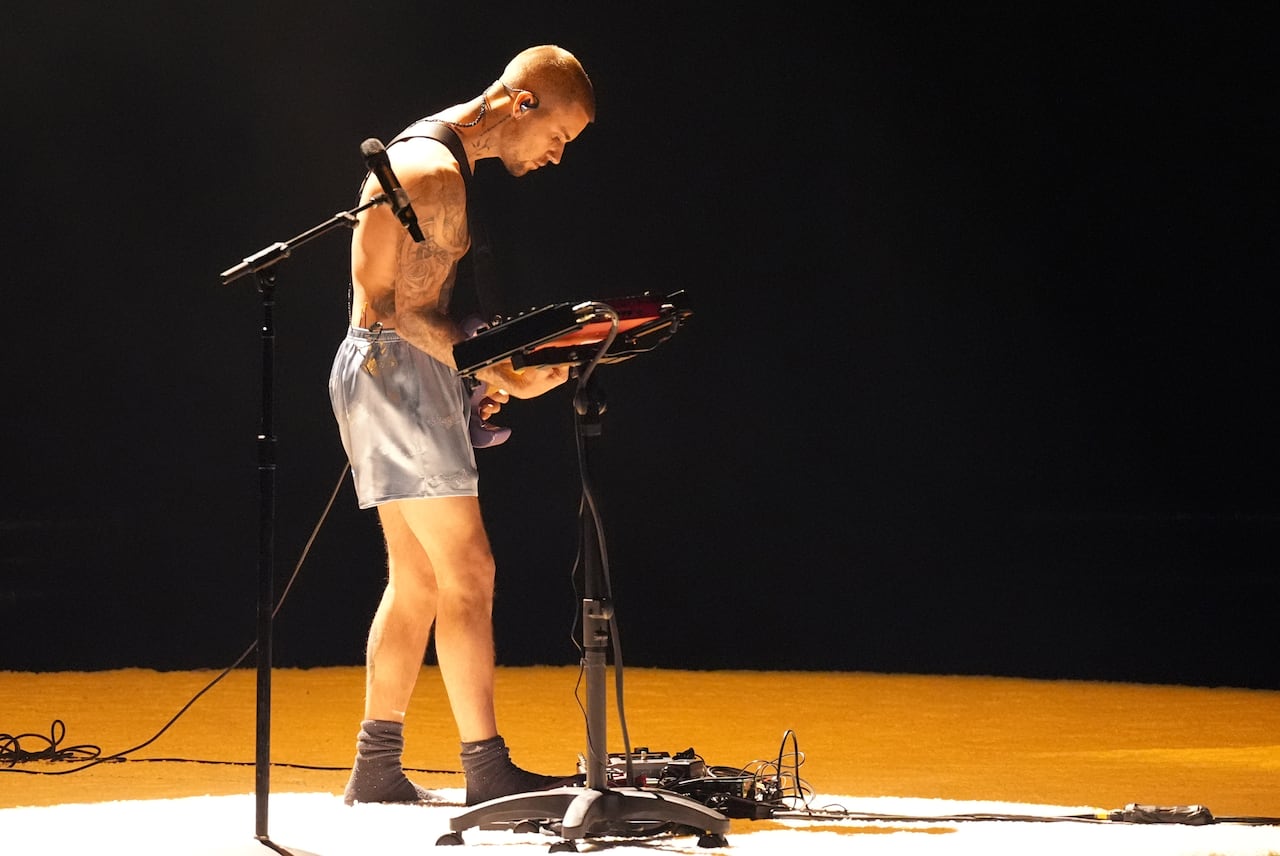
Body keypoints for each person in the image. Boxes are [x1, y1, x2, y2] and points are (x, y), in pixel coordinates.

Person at [328, 45, 595, 806]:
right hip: (393, 370)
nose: (556, 154)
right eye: (560, 136)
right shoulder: (436, 174)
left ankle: (376, 769)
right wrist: (500, 371)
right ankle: (486, 772)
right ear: (522, 104)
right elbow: (402, 309)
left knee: (415, 579)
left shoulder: (431, 152)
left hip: (378, 369)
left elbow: (410, 308)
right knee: (468, 573)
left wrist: (480, 368)